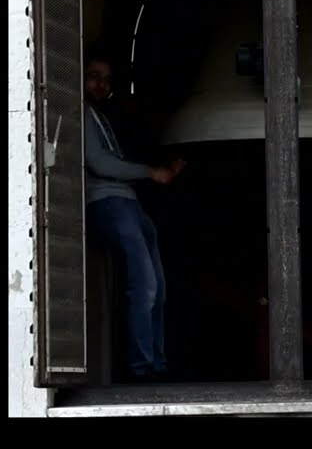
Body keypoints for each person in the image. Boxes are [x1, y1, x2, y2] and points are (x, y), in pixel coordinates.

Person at [83, 56, 186, 382]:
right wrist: (151, 172)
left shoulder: (99, 116)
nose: (101, 85)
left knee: (159, 287)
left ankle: (157, 363)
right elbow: (101, 164)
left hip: (129, 202)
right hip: (110, 201)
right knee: (146, 286)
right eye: (93, 77)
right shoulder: (80, 113)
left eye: (106, 80)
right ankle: (143, 369)